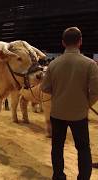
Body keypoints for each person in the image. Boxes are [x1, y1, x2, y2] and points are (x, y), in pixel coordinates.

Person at [41, 27, 98, 180]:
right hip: (79, 114)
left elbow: (45, 88)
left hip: (57, 113)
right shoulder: (90, 64)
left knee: (57, 147)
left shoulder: (53, 64)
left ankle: (59, 176)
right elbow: (95, 91)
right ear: (80, 42)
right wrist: (85, 104)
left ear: (63, 43)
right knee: (83, 148)